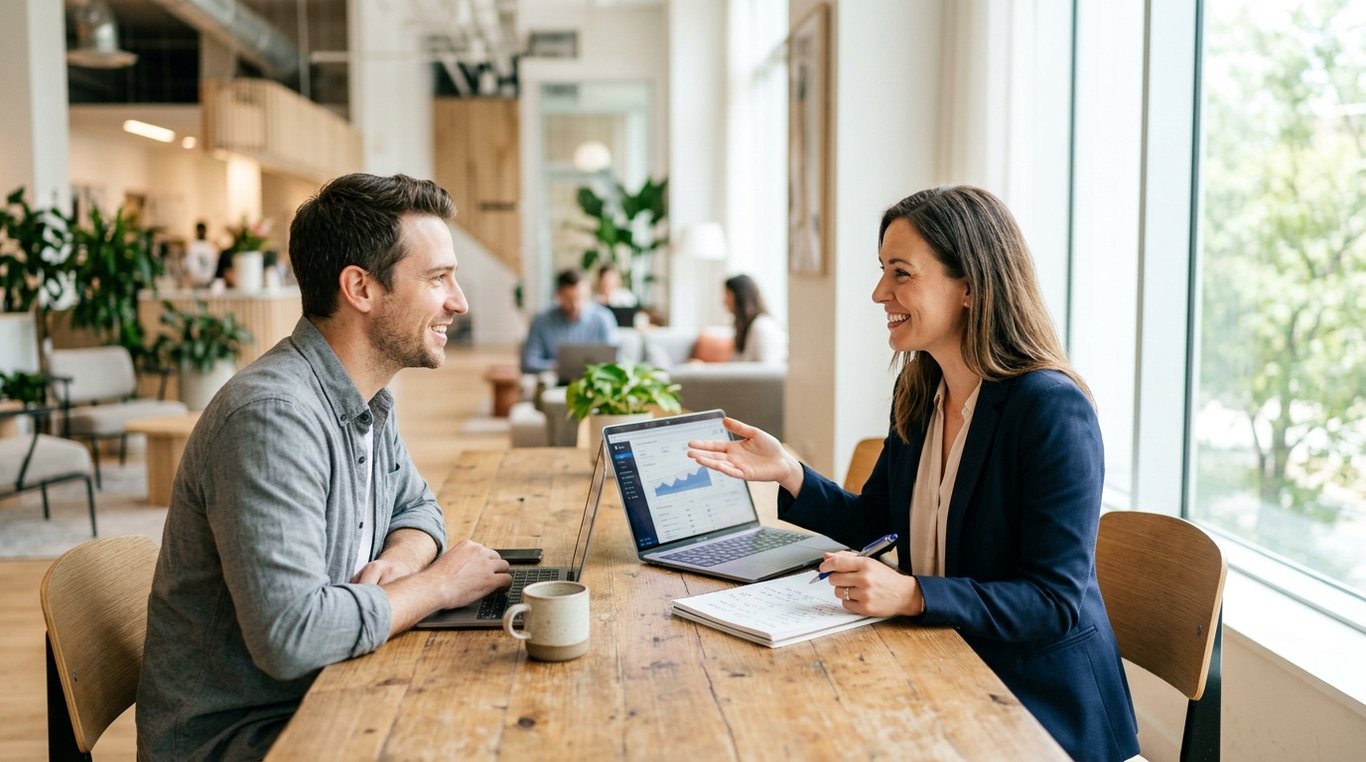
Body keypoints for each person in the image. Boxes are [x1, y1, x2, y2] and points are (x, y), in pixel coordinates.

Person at [688, 186, 1139, 761]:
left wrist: (912, 595)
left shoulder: (1050, 409)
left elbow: (1052, 602)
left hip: (1037, 706)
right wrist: (790, 473)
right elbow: (877, 521)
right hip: (948, 664)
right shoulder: (922, 388)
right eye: (882, 271)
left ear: (971, 287)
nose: (880, 293)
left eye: (901, 273)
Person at [137, 173, 513, 760]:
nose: (458, 301)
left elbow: (418, 507)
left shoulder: (364, 397)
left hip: (329, 690)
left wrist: (398, 563)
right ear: (360, 288)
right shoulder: (272, 418)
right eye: (438, 278)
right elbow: (293, 635)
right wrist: (436, 585)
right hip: (252, 735)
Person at [520, 268, 619, 374]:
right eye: (569, 299)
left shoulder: (603, 318)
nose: (575, 305)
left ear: (588, 294)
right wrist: (556, 367)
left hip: (595, 379)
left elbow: (615, 359)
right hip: (554, 379)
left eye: (580, 298)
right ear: (558, 296)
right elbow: (529, 363)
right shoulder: (541, 320)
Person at [723, 274, 787, 364]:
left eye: (728, 295)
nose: (724, 301)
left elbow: (768, 369)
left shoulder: (762, 327)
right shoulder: (746, 327)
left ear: (740, 297)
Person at [183, 221, 218, 288]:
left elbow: (214, 263)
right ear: (197, 231)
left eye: (203, 230)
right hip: (195, 282)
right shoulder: (192, 246)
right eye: (199, 230)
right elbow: (188, 263)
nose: (201, 232)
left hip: (208, 281)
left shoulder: (210, 246)